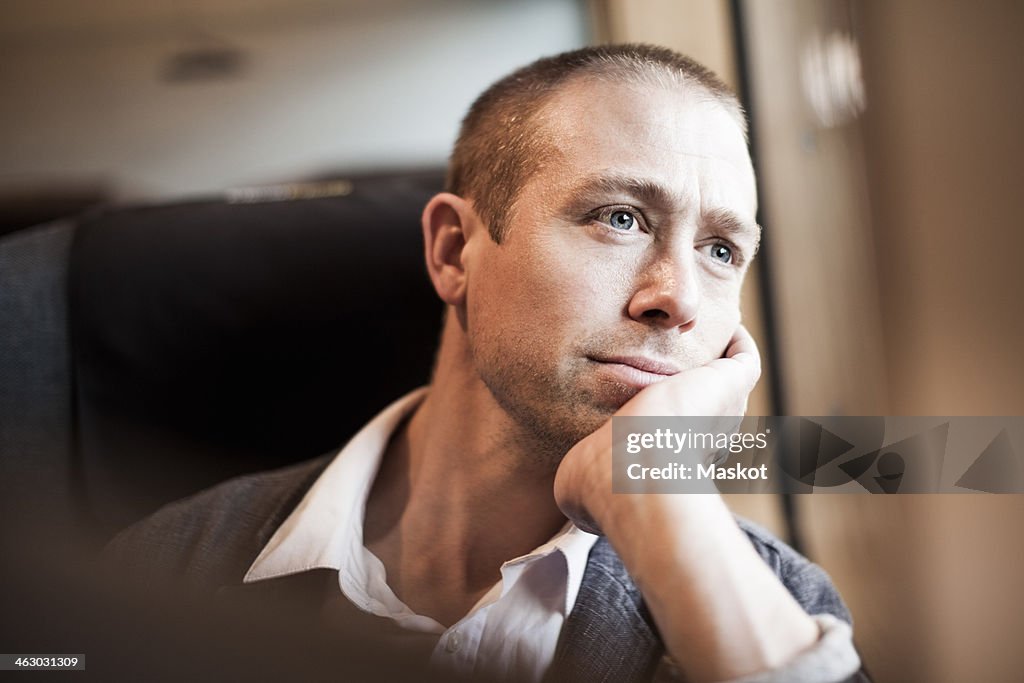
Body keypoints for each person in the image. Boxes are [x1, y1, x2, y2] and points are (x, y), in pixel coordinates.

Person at [106, 44, 868, 682]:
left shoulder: (780, 612)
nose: (680, 299)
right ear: (452, 252)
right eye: (621, 217)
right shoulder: (161, 565)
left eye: (721, 250)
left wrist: (656, 489)